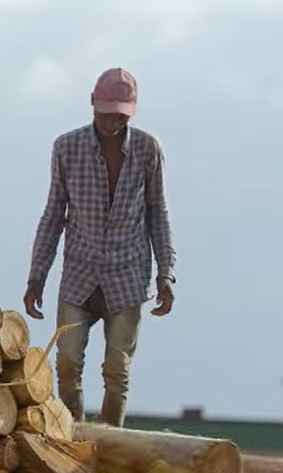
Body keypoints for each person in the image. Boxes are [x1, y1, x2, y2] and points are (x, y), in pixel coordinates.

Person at [23, 67, 176, 428]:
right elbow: (53, 214)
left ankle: (109, 443)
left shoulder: (146, 149)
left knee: (117, 370)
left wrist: (165, 274)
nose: (112, 124)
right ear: (93, 104)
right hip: (79, 273)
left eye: (120, 117)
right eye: (106, 115)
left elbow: (158, 212)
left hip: (127, 275)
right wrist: (36, 279)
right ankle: (72, 435)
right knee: (67, 362)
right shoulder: (67, 147)